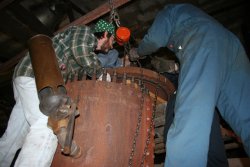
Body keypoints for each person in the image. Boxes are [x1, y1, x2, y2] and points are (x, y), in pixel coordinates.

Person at [129, 3, 250, 166]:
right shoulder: (192, 13)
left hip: (203, 39)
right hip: (232, 46)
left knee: (191, 114)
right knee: (246, 116)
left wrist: (138, 51)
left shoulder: (169, 11)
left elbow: (154, 38)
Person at [0, 19, 115, 167]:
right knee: (47, 126)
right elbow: (79, 49)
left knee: (14, 138)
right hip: (37, 77)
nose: (112, 45)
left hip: (28, 77)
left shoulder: (81, 58)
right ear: (105, 33)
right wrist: (101, 73)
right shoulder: (85, 33)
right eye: (112, 39)